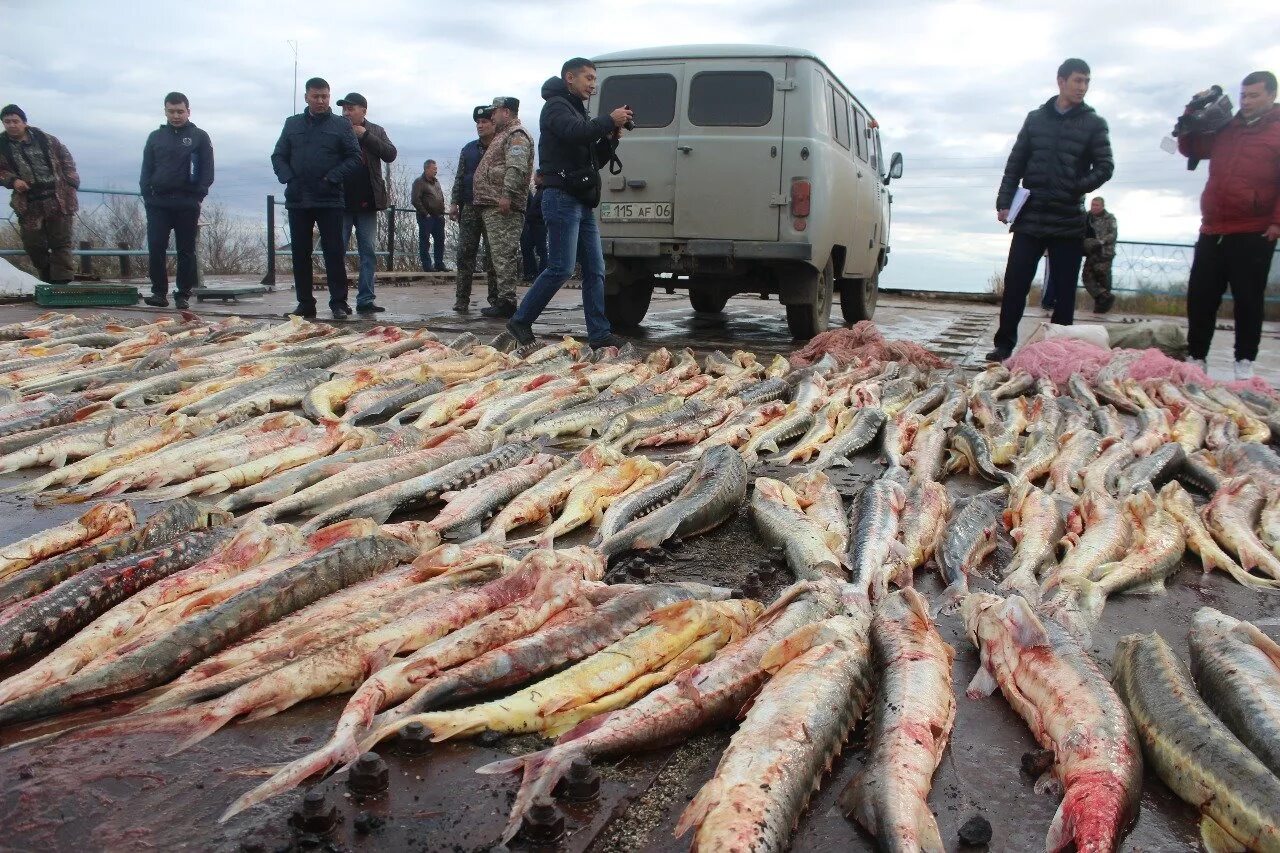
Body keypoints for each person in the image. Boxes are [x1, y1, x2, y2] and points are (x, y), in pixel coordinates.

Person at [987, 58, 1114, 362]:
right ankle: (1004, 344)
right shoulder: (1035, 120)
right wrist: (1004, 201)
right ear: (1061, 81)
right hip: (1030, 216)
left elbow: (1106, 167)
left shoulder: (1095, 123)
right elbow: (1015, 163)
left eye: (1086, 81)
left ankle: (1058, 351)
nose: (1082, 87)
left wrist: (1076, 185)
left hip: (1068, 219)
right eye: (1077, 80)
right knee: (1016, 282)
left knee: (1065, 291)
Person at [507, 58, 632, 348]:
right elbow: (575, 133)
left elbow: (591, 160)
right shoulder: (556, 107)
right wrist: (607, 121)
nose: (593, 84)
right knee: (561, 267)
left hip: (581, 200)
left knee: (595, 270)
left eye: (594, 79)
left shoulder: (577, 111)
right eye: (588, 78)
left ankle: (599, 335)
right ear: (569, 78)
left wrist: (610, 139)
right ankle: (520, 321)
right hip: (561, 198)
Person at [1179, 71, 1280, 380]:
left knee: (1248, 299)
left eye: (1253, 96)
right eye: (1243, 95)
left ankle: (1244, 362)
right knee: (1200, 296)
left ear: (1271, 96)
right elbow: (1192, 148)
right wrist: (1191, 112)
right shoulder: (1227, 127)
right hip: (1213, 227)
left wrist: (1277, 221)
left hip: (1254, 229)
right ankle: (1196, 357)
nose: (1246, 101)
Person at [270, 77, 362, 319]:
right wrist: (288, 177)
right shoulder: (292, 124)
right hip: (298, 199)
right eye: (316, 96)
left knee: (334, 252)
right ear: (306, 97)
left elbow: (355, 158)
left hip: (329, 199)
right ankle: (305, 303)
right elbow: (278, 156)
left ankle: (339, 303)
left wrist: (332, 177)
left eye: (325, 96)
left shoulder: (341, 125)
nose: (321, 100)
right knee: (300, 254)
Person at [139, 92, 214, 309]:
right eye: (171, 111)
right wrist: (147, 195)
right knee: (156, 247)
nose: (176, 116)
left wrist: (198, 195)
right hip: (158, 203)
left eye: (180, 111)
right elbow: (147, 168)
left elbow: (207, 170)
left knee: (186, 250)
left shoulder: (199, 136)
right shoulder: (155, 137)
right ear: (165, 111)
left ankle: (183, 294)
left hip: (186, 202)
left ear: (188, 111)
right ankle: (159, 293)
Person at [0, 105, 79, 284]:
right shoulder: (2, 146)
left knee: (61, 243)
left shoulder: (47, 140)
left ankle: (62, 284)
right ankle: (46, 278)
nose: (12, 125)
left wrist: (71, 182)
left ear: (24, 122)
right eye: (7, 122)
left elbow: (67, 160)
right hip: (29, 202)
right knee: (33, 245)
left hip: (58, 199)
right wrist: (12, 181)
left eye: (15, 121)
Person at [472, 96, 534, 318]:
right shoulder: (503, 135)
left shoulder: (516, 135)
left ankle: (507, 302)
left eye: (494, 112)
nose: (492, 116)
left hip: (503, 205)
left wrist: (507, 195)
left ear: (506, 112)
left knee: (503, 254)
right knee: (497, 255)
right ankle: (502, 299)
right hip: (492, 204)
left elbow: (516, 167)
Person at [336, 93, 396, 315]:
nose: (346, 113)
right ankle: (339, 301)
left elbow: (390, 154)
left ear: (363, 111)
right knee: (336, 252)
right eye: (344, 109)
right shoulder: (336, 128)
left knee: (368, 252)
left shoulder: (376, 130)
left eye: (351, 109)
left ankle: (366, 300)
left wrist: (366, 136)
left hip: (368, 202)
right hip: (340, 202)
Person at [450, 105, 498, 313]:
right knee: (465, 253)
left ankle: (496, 299)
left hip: (492, 207)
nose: (480, 126)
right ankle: (462, 299)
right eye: (478, 122)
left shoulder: (500, 147)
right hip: (470, 206)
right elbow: (460, 178)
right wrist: (454, 203)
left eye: (484, 122)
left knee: (493, 255)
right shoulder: (468, 149)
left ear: (493, 123)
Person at [1082, 196, 1117, 314]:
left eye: (1097, 205)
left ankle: (1101, 307)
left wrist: (1101, 241)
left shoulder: (1110, 218)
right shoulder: (1087, 217)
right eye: (1093, 205)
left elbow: (1113, 234)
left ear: (1102, 206)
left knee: (1103, 279)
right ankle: (1104, 297)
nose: (1094, 207)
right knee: (1087, 278)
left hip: (1105, 253)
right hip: (1091, 253)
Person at [412, 159, 447, 272]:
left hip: (438, 217)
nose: (436, 171)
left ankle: (439, 263)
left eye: (436, 169)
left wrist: (442, 212)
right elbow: (415, 200)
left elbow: (440, 197)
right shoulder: (419, 182)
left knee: (440, 240)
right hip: (426, 217)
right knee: (425, 241)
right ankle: (427, 265)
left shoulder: (436, 182)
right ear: (427, 169)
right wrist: (425, 213)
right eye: (434, 169)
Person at [521, 172, 548, 281]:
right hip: (532, 225)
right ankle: (531, 272)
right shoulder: (538, 191)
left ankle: (542, 274)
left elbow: (542, 209)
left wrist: (531, 215)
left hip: (539, 225)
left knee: (541, 250)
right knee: (526, 247)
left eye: (535, 177)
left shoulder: (543, 192)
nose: (533, 179)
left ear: (541, 177)